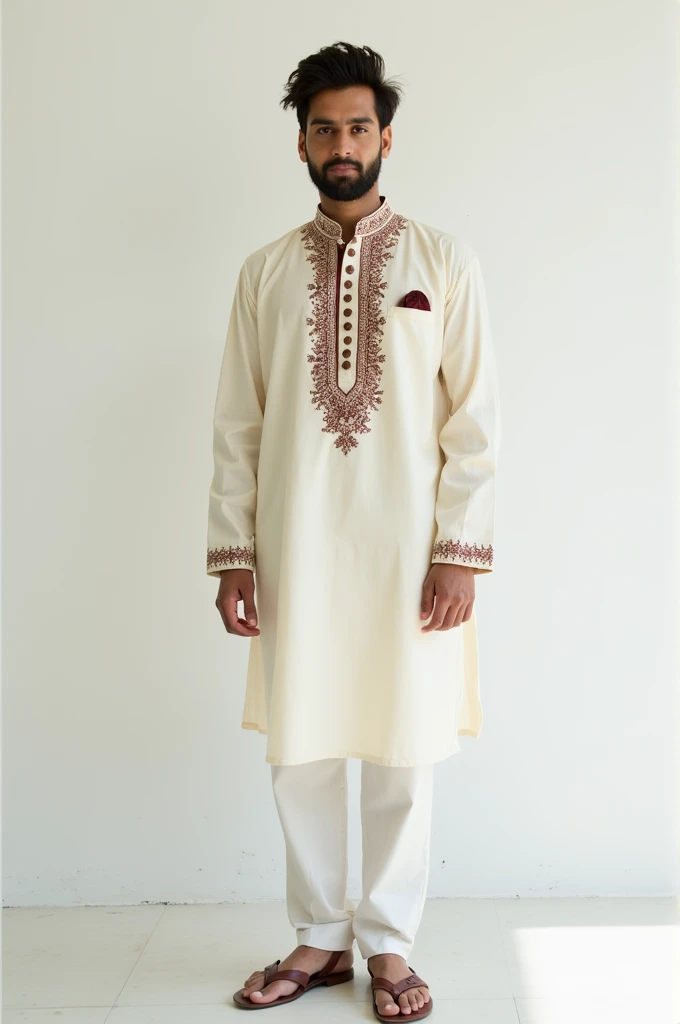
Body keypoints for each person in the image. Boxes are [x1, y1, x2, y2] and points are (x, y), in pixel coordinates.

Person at [206, 41, 501, 1020]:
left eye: (359, 126)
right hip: (293, 551)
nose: (343, 143)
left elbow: (474, 422)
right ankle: (317, 936)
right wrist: (233, 555)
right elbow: (238, 424)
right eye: (325, 128)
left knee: (398, 750)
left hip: (406, 560)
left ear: (385, 137)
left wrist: (458, 551)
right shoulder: (260, 275)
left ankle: (385, 941)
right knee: (300, 751)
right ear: (300, 142)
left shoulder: (441, 262)